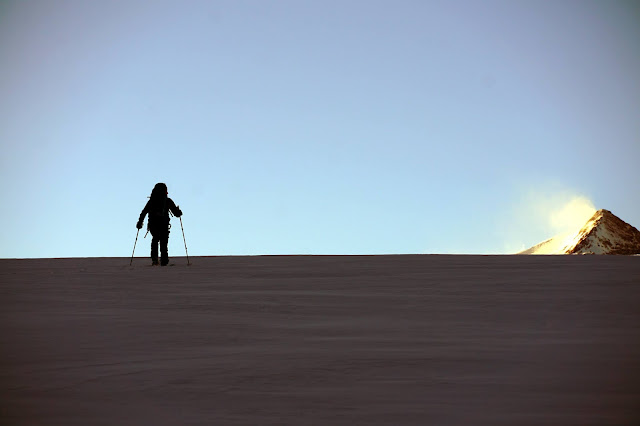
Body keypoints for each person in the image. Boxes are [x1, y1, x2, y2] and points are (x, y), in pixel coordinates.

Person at [137, 183, 183, 266]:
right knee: (164, 242)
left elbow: (144, 212)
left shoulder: (151, 201)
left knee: (155, 239)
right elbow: (176, 213)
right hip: (164, 224)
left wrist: (140, 223)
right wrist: (179, 212)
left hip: (153, 224)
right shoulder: (167, 201)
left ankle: (155, 260)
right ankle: (164, 261)